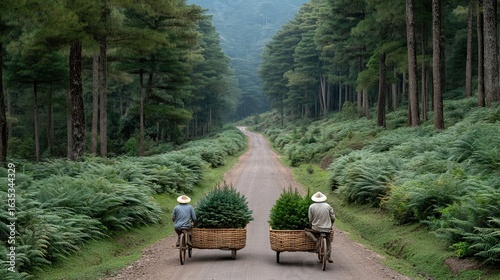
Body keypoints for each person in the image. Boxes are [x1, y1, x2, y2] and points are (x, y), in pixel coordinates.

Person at [305, 191, 335, 263]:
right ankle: (329, 255)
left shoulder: (311, 206)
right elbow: (333, 217)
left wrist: (311, 223)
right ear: (323, 199)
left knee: (306, 231)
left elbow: (310, 218)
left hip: (316, 228)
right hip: (327, 228)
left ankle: (316, 240)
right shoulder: (328, 206)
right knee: (328, 241)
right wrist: (331, 223)